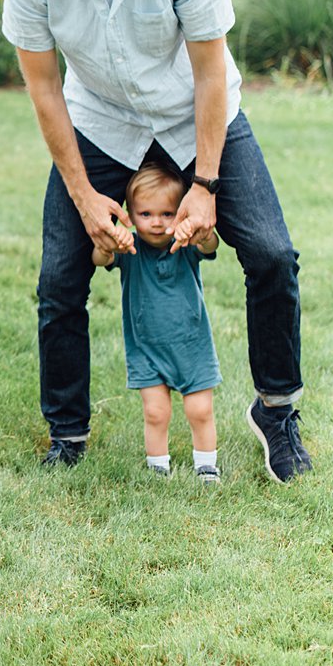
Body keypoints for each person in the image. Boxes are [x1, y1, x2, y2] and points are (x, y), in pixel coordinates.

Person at [2, 0, 311, 481]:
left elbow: (208, 74)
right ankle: (68, 432)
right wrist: (86, 196)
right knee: (59, 278)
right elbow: (45, 90)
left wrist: (204, 183)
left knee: (270, 252)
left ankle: (277, 411)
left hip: (195, 114)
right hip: (101, 120)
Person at [92, 164, 222, 483]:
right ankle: (157, 468)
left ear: (180, 213)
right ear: (131, 215)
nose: (157, 222)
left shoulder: (185, 245)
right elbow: (100, 259)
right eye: (146, 214)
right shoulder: (130, 249)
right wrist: (109, 241)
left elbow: (211, 245)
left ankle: (206, 466)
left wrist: (199, 232)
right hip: (146, 348)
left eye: (167, 213)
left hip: (192, 345)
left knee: (200, 410)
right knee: (155, 412)